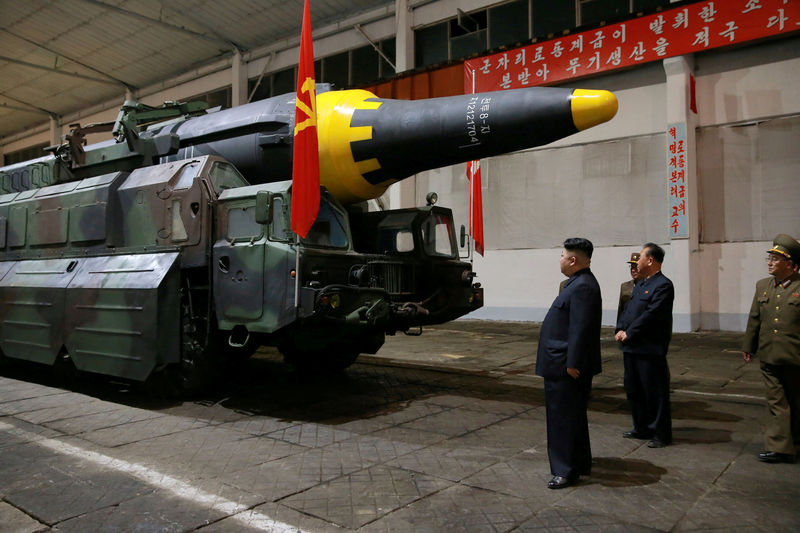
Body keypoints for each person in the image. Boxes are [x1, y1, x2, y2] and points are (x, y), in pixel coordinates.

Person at [535, 238, 602, 489]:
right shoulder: (578, 283)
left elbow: (581, 329)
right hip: (563, 363)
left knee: (562, 419)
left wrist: (573, 363)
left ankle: (565, 470)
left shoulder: (582, 286)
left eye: (562, 255)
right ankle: (580, 462)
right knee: (573, 417)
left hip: (566, 366)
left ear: (573, 260)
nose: (560, 259)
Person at [742, 234, 800, 464]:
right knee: (777, 402)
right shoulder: (762, 286)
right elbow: (754, 318)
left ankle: (793, 441)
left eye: (776, 258)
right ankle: (780, 448)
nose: (770, 262)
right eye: (770, 257)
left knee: (795, 401)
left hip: (794, 356)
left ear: (790, 264)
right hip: (769, 354)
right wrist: (749, 345)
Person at [615, 243, 674, 448]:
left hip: (649, 348)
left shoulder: (663, 285)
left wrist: (629, 332)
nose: (636, 262)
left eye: (639, 257)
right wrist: (620, 329)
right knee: (634, 389)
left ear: (650, 261)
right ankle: (641, 427)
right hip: (631, 347)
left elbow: (651, 315)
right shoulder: (640, 284)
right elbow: (628, 311)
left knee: (654, 392)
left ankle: (660, 433)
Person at [617, 252, 641, 322]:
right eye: (632, 267)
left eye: (636, 267)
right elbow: (620, 309)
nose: (633, 270)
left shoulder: (648, 286)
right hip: (626, 326)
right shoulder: (625, 286)